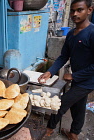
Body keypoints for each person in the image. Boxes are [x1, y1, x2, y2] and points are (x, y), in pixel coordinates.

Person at [38, 0, 94, 139]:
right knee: (79, 106)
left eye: (79, 10)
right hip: (79, 78)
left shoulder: (92, 33)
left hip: (88, 81)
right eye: (72, 11)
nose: (74, 14)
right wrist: (50, 72)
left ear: (89, 10)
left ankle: (49, 130)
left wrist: (74, 76)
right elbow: (63, 57)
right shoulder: (71, 34)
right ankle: (74, 133)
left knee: (60, 103)